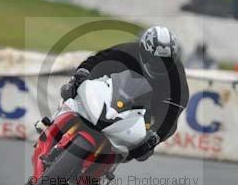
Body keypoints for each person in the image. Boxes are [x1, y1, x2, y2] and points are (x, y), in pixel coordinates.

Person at [61, 26, 189, 162]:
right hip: (115, 92)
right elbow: (98, 60)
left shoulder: (177, 77)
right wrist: (83, 73)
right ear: (144, 52)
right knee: (73, 88)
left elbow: (172, 114)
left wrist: (156, 136)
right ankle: (53, 121)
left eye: (166, 62)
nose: (159, 65)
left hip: (146, 110)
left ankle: (107, 167)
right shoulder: (129, 50)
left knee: (142, 150)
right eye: (154, 60)